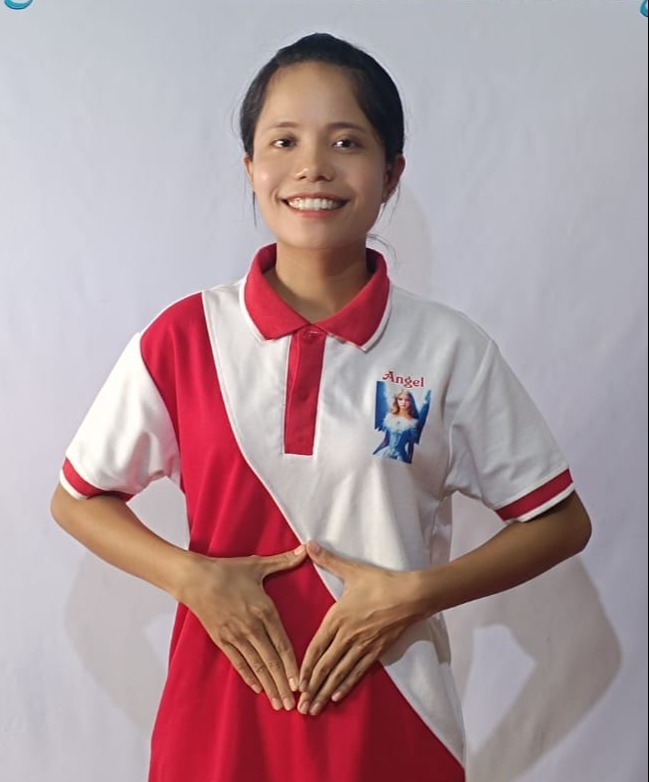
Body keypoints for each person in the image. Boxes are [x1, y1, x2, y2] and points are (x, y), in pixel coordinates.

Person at [50, 32, 592, 782]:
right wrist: (191, 578)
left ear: (391, 172)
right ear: (250, 168)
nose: (312, 166)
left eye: (346, 141)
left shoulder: (448, 349)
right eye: (283, 141)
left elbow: (560, 522)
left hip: (393, 723)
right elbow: (78, 498)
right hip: (217, 727)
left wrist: (413, 594)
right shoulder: (184, 337)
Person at [373, 386, 432, 463]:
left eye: (407, 400)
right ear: (396, 400)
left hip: (400, 456)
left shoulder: (412, 423)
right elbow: (386, 441)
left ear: (411, 402)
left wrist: (409, 461)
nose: (403, 402)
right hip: (386, 452)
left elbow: (411, 446)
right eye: (400, 399)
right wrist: (375, 453)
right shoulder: (390, 418)